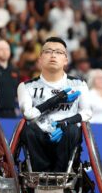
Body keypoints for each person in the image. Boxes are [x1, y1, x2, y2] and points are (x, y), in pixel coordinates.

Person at [17, 37, 92, 172]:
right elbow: (28, 115)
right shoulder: (26, 86)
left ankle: (61, 175)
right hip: (39, 138)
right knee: (28, 130)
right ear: (40, 58)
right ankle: (40, 175)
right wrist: (55, 100)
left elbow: (87, 113)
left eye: (58, 52)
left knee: (73, 130)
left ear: (66, 60)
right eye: (48, 51)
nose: (53, 55)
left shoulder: (79, 84)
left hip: (66, 136)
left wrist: (65, 122)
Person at [0, 39, 19, 118]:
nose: (5, 51)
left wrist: (17, 108)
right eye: (1, 49)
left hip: (11, 111)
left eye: (7, 49)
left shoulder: (14, 69)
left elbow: (16, 91)